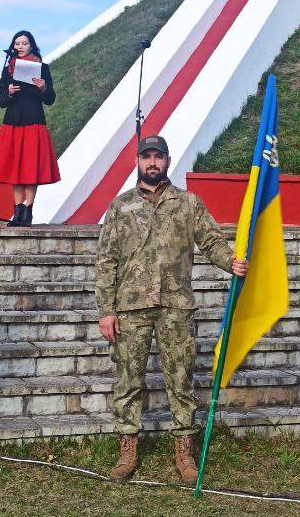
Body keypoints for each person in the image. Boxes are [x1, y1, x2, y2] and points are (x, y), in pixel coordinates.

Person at [95, 135, 249, 486]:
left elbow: (211, 241)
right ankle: (127, 452)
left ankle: (184, 453)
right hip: (130, 308)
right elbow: (106, 261)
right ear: (138, 161)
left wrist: (231, 263)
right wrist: (105, 310)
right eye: (146, 157)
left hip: (176, 307)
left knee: (180, 380)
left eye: (158, 157)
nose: (152, 162)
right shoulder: (120, 206)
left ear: (167, 160)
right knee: (128, 381)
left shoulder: (187, 203)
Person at [0, 30, 60, 226]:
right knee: (15, 167)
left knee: (30, 167)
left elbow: (50, 99)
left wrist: (43, 87)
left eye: (24, 43)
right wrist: (9, 92)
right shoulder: (8, 69)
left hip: (33, 121)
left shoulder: (42, 68)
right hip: (12, 122)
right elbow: (1, 102)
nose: (20, 46)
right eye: (17, 43)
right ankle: (17, 210)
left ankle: (28, 209)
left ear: (32, 46)